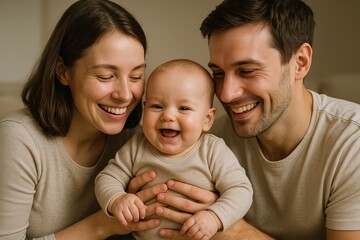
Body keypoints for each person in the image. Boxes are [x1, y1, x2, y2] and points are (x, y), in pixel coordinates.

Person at [136, 0, 360, 240]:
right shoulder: (207, 139)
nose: (225, 94)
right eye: (218, 74)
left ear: (300, 62)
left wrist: (233, 230)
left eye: (247, 71)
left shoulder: (351, 144)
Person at [0, 0, 168, 239]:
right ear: (63, 71)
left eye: (136, 75)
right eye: (105, 76)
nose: (125, 94)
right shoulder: (20, 140)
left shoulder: (137, 143)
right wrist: (103, 225)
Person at [95, 59, 253, 240]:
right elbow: (107, 178)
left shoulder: (212, 150)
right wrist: (117, 199)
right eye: (157, 106)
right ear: (144, 108)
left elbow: (241, 190)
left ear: (207, 119)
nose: (168, 116)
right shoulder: (137, 146)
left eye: (183, 108)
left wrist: (214, 217)